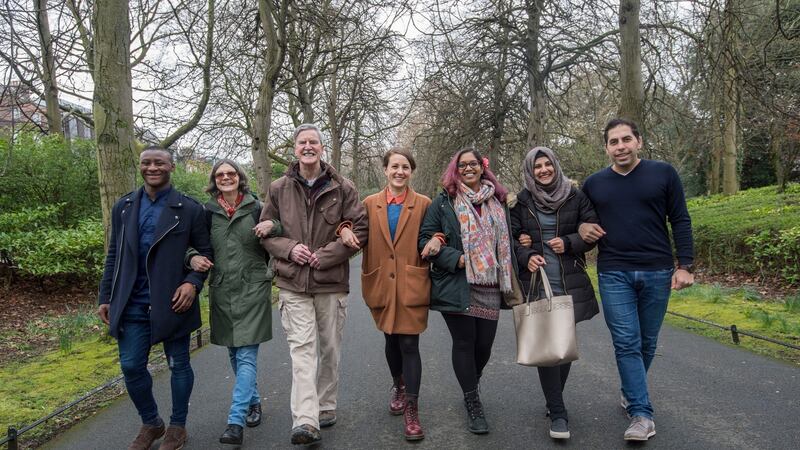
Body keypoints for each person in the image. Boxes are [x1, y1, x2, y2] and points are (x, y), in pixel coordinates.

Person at [579, 118, 694, 441]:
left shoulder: (664, 174)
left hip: (657, 270)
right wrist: (581, 230)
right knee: (627, 341)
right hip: (614, 271)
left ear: (639, 142)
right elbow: (580, 221)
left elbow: (681, 219)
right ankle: (642, 415)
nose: (620, 147)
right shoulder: (594, 184)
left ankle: (631, 391)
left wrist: (684, 265)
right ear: (606, 148)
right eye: (613, 142)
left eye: (626, 139)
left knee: (647, 342)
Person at [97, 146, 212, 450]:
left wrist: (193, 283)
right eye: (146, 163)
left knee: (178, 364)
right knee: (132, 366)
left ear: (171, 166)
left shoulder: (189, 209)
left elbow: (205, 253)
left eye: (158, 162)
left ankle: (177, 426)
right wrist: (105, 296)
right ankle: (151, 422)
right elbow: (114, 255)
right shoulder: (123, 207)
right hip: (131, 302)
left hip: (173, 301)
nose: (152, 168)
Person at [260, 123, 367, 446]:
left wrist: (327, 255)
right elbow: (266, 233)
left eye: (314, 142)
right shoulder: (278, 188)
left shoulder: (343, 187)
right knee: (302, 351)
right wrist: (290, 249)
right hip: (292, 283)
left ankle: (326, 405)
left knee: (329, 349)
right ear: (295, 149)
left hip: (330, 282)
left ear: (322, 149)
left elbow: (360, 230)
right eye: (302, 142)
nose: (308, 147)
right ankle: (305, 420)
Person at [418, 147, 522, 435]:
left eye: (473, 164)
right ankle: (472, 400)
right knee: (464, 343)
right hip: (458, 284)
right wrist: (457, 259)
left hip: (490, 284)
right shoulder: (443, 202)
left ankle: (470, 383)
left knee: (484, 346)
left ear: (482, 167)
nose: (467, 169)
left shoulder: (498, 200)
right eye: (462, 165)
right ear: (456, 169)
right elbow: (424, 240)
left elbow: (510, 237)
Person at [186, 159, 281, 446]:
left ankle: (235, 420)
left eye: (231, 173)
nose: (226, 177)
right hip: (222, 289)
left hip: (253, 288)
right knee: (232, 351)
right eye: (220, 174)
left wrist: (272, 225)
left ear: (240, 177)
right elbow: (191, 244)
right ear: (214, 180)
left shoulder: (256, 207)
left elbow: (280, 227)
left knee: (246, 354)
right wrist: (191, 257)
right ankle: (253, 401)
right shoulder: (206, 212)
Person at [340, 149, 432, 441]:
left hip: (412, 282)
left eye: (405, 167)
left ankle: (412, 409)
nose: (400, 172)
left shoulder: (424, 204)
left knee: (409, 342)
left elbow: (437, 231)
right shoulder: (369, 204)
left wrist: (438, 240)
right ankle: (399, 385)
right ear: (385, 170)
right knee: (391, 339)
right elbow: (349, 224)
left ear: (411, 171)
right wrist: (344, 229)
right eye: (395, 166)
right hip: (380, 282)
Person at [509, 146, 600, 440]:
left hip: (568, 278)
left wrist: (571, 242)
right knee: (550, 349)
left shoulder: (576, 195)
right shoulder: (521, 201)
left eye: (548, 164)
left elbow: (592, 231)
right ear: (530, 171)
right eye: (537, 167)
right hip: (538, 280)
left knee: (565, 345)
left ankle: (554, 399)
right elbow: (510, 239)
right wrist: (526, 254)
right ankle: (558, 412)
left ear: (555, 165)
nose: (543, 170)